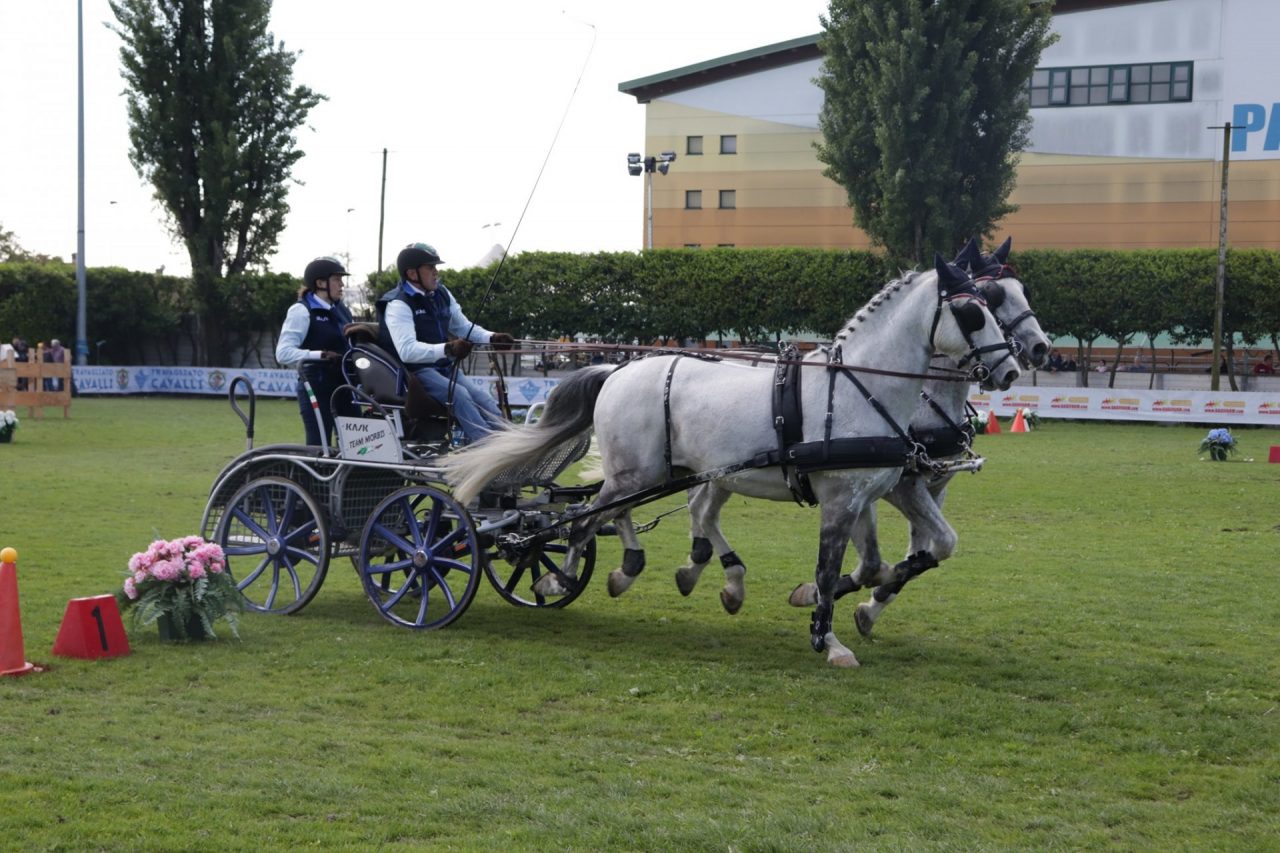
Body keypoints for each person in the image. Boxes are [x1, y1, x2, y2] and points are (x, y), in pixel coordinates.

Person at [376, 242, 514, 444]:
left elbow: (463, 326)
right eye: (430, 268)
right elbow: (407, 351)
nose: (436, 272)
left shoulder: (441, 294)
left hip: (444, 368)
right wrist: (449, 348)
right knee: (460, 395)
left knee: (483, 398)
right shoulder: (398, 304)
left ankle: (512, 445)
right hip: (416, 372)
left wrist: (491, 338)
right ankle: (487, 449)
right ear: (413, 274)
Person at [275, 256, 358, 448]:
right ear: (320, 283)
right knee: (319, 448)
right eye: (336, 279)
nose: (341, 284)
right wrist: (319, 355)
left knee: (357, 446)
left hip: (344, 387)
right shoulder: (301, 311)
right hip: (316, 388)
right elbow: (284, 353)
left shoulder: (342, 310)